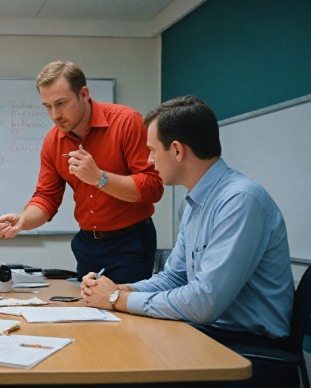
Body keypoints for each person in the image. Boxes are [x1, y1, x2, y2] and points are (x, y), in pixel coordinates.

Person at [80, 96, 297, 387]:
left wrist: (118, 300)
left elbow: (203, 302)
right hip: (212, 334)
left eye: (152, 150)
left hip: (249, 352)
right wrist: (119, 288)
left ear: (178, 150)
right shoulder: (194, 203)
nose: (149, 160)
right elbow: (174, 277)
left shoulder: (240, 201)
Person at [0, 60, 164, 283]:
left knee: (126, 311)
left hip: (131, 242)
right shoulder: (53, 141)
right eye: (47, 106)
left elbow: (153, 187)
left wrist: (99, 178)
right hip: (87, 245)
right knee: (89, 313)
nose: (55, 115)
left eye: (61, 103)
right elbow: (46, 197)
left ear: (84, 94)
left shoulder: (126, 122)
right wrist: (23, 221)